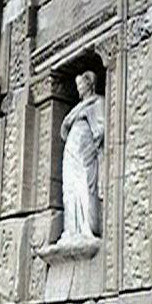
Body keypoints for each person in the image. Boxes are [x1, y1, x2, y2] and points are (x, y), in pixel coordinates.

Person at [59, 70, 105, 240]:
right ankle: (71, 228)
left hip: (85, 149)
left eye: (81, 85)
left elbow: (101, 128)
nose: (79, 89)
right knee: (70, 186)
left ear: (89, 84)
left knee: (85, 183)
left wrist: (92, 140)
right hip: (72, 149)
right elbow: (64, 128)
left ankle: (86, 226)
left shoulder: (98, 102)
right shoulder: (77, 109)